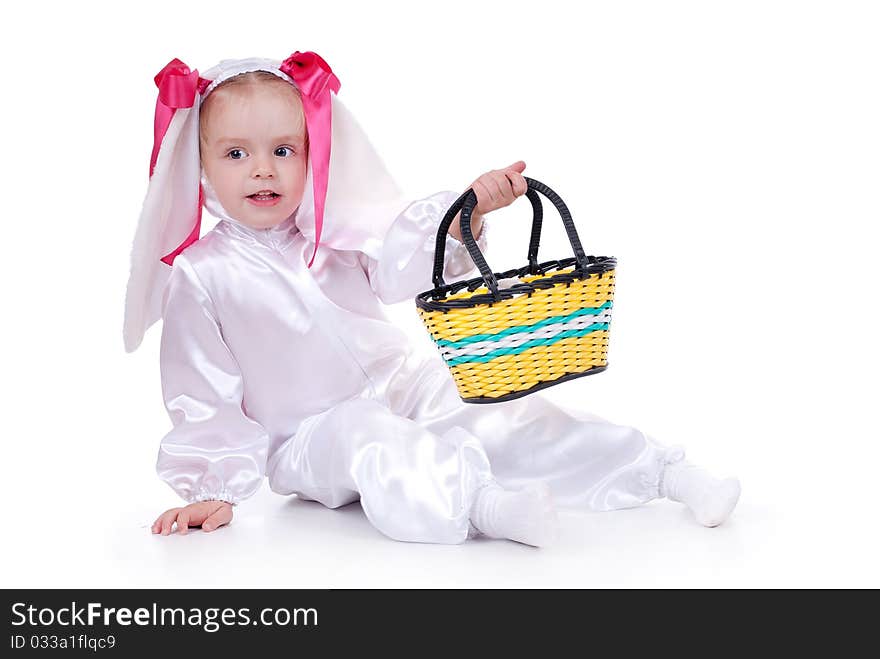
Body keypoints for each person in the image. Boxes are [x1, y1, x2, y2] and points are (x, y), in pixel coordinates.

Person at [125, 52, 741, 548]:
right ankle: (479, 505)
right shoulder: (202, 275)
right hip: (309, 435)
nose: (262, 170)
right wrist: (213, 485)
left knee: (493, 410)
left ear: (311, 154)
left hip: (401, 385)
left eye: (283, 150)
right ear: (201, 166)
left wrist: (467, 209)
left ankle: (662, 471)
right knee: (366, 432)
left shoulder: (332, 230)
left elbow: (404, 265)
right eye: (236, 153)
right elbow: (202, 390)